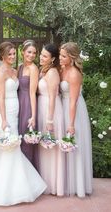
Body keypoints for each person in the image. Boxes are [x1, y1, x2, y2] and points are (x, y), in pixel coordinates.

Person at [0, 42, 46, 207]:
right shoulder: (0, 72)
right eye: (9, 54)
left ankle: (17, 188)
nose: (12, 57)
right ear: (2, 56)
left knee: (15, 147)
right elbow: (1, 98)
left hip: (17, 110)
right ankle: (5, 191)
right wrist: (3, 120)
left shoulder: (14, 70)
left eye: (13, 54)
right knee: (8, 149)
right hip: (5, 113)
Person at [60, 42, 92, 197]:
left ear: (71, 58)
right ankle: (66, 182)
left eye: (63, 56)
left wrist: (71, 124)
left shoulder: (74, 73)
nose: (60, 58)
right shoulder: (63, 69)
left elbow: (73, 101)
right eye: (60, 54)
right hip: (64, 107)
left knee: (75, 143)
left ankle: (79, 185)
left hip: (74, 110)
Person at [37, 43, 65, 196]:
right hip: (43, 107)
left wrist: (49, 120)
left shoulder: (53, 72)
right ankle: (45, 182)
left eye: (45, 56)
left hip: (51, 110)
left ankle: (54, 184)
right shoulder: (44, 70)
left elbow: (53, 97)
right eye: (41, 54)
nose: (41, 57)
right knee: (44, 148)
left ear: (53, 59)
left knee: (51, 147)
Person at [18, 40, 39, 165]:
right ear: (23, 52)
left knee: (26, 137)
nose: (31, 55)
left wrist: (33, 116)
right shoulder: (20, 67)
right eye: (29, 52)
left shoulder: (33, 68)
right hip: (18, 103)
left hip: (28, 104)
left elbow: (33, 93)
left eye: (34, 53)